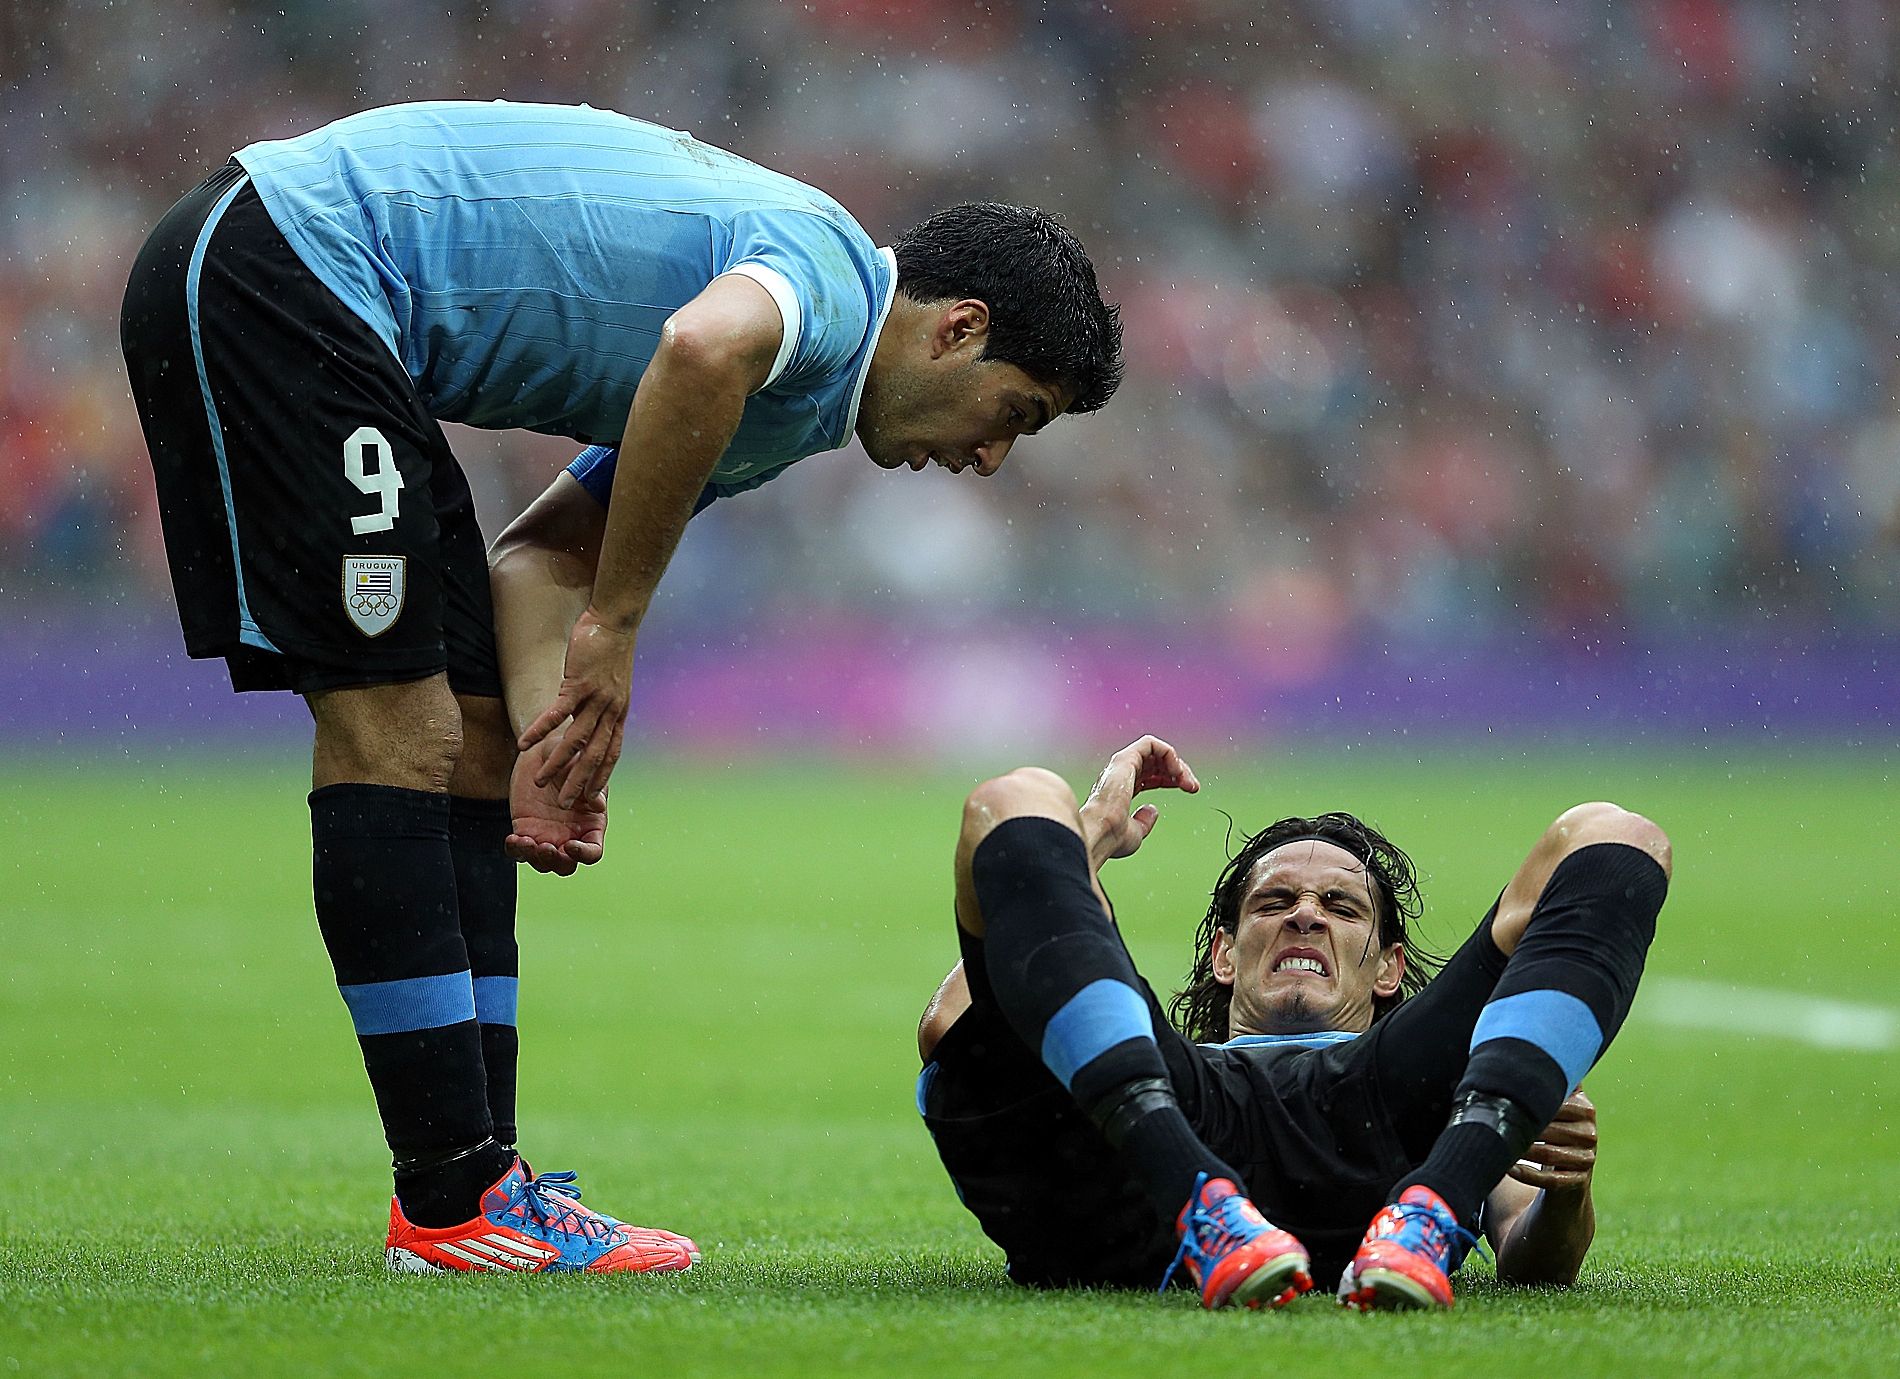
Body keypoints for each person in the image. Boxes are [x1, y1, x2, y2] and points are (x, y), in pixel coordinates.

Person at [119, 99, 1122, 1274]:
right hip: (285, 264)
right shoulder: (833, 280)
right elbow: (699, 348)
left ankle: (482, 1180)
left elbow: (537, 559)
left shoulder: (792, 403)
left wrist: (559, 728)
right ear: (957, 327)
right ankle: (450, 1199)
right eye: (1014, 414)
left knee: (477, 728)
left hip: (316, 296)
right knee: (395, 720)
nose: (990, 458)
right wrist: (620, 627)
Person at [916, 736, 1670, 1309]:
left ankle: (1434, 1205)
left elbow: (1532, 1262)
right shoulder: (1148, 1049)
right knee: (1012, 798)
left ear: (1388, 969)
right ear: (1224, 954)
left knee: (1616, 835)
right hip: (1173, 1119)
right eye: (1274, 903)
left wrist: (1566, 1192)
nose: (1306, 912)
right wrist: (1088, 837)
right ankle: (1198, 1196)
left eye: (1341, 907)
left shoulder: (1451, 1083)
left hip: (1380, 1115)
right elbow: (960, 1018)